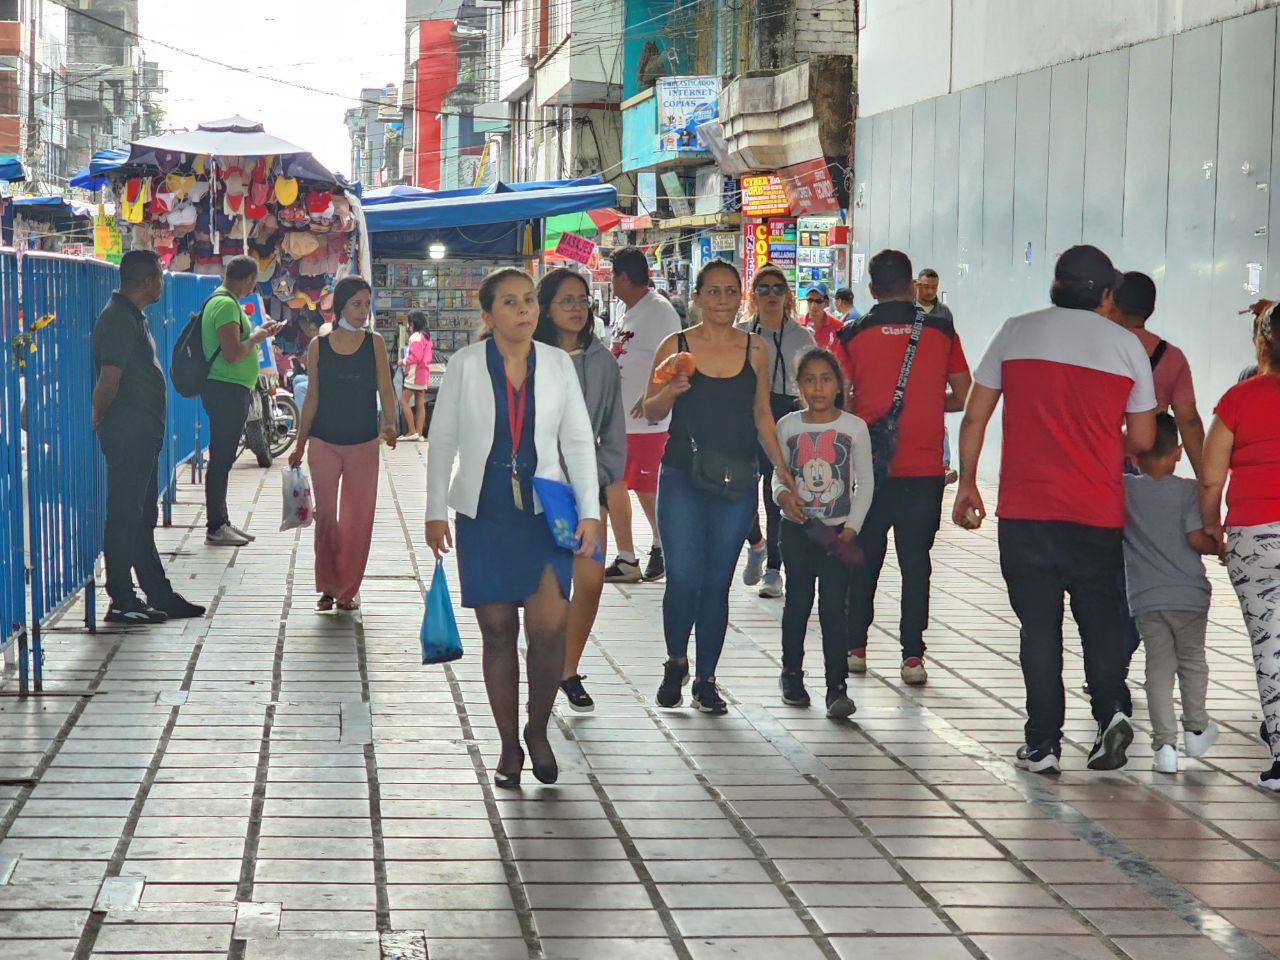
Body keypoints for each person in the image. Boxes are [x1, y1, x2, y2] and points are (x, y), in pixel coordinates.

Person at [954, 244, 1157, 775]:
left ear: (1055, 283)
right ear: (1107, 295)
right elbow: (1142, 436)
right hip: (1095, 509)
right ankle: (1110, 710)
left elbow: (974, 416)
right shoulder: (1126, 346)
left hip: (1026, 510)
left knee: (1038, 628)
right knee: (1098, 619)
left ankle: (1043, 742)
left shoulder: (1016, 331)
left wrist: (968, 483)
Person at [425, 268, 600, 788]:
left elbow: (577, 441)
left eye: (528, 301)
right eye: (509, 302)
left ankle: (538, 730)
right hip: (484, 512)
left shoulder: (557, 366)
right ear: (488, 315)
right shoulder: (464, 366)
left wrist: (590, 511)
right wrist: (436, 510)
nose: (523, 310)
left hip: (545, 513)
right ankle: (506, 746)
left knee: (548, 632)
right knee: (498, 634)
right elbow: (443, 439)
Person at [643, 260, 795, 715]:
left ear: (740, 298)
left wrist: (781, 467)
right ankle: (675, 660)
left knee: (715, 583)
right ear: (697, 296)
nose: (723, 301)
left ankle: (707, 679)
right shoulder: (676, 345)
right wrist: (673, 390)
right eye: (713, 292)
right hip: (682, 476)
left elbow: (762, 413)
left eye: (731, 292)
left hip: (737, 480)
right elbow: (650, 411)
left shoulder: (756, 350)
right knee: (684, 576)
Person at [835, 250, 971, 684]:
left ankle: (856, 647)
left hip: (871, 468)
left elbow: (838, 399)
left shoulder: (852, 333)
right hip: (924, 470)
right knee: (916, 563)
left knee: (864, 559)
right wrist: (931, 406)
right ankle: (912, 656)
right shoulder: (940, 329)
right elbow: (963, 394)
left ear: (871, 290)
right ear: (913, 285)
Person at [91, 250, 205, 624]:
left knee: (141, 516)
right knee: (125, 515)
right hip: (128, 433)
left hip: (143, 433)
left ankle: (157, 592)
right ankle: (121, 597)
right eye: (159, 275)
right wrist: (98, 421)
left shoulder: (130, 317)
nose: (162, 282)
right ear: (146, 281)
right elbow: (109, 380)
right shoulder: (118, 321)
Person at [533, 268, 625, 713]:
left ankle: (567, 669)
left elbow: (612, 428)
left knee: (589, 581)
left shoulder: (603, 361)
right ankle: (545, 670)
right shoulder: (529, 356)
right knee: (544, 588)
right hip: (536, 488)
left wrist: (602, 478)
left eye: (581, 299)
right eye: (565, 300)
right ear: (546, 307)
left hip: (586, 490)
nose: (575, 307)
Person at [1199, 303, 1280, 791]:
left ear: (1262, 344)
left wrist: (1212, 528)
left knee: (1271, 644)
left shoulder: (1238, 399)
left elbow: (1210, 479)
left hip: (1255, 536)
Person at [289, 276, 399, 612]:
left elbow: (385, 388)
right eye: (356, 304)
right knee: (327, 518)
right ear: (340, 306)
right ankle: (327, 586)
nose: (363, 311)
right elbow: (311, 399)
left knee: (358, 519)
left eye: (367, 304)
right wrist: (300, 442)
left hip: (364, 442)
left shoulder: (375, 343)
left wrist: (391, 424)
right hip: (323, 442)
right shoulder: (318, 346)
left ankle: (348, 589)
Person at [774, 348, 874, 718]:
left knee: (834, 608)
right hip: (798, 532)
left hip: (837, 537)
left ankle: (837, 687)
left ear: (839, 385)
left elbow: (865, 482)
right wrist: (783, 496)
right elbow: (778, 475)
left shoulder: (853, 428)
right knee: (797, 603)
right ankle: (792, 676)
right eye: (809, 380)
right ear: (797, 386)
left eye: (826, 379)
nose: (818, 387)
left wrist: (852, 528)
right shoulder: (787, 426)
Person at [1123, 413, 1217, 774]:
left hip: (1147, 599)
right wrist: (1217, 546)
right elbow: (1196, 538)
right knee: (1192, 661)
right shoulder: (1188, 490)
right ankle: (1195, 729)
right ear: (1178, 453)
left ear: (1134, 457)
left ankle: (1164, 747)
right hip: (1189, 595)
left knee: (1158, 669)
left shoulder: (1126, 491)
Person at [605, 247, 682, 583]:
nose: (610, 283)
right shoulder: (626, 311)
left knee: (647, 487)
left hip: (649, 421)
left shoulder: (659, 310)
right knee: (618, 485)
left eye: (612, 276)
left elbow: (674, 356)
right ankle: (627, 556)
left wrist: (652, 393)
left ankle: (662, 543)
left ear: (624, 277)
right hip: (619, 419)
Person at [741, 263, 816, 598]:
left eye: (777, 289)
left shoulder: (802, 337)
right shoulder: (741, 333)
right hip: (747, 419)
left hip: (786, 419)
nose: (771, 295)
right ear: (754, 296)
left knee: (777, 496)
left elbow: (810, 383)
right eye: (763, 289)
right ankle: (755, 543)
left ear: (787, 296)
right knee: (741, 494)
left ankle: (774, 568)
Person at [200, 256, 283, 546]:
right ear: (248, 279)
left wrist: (261, 333)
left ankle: (222, 522)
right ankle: (216, 525)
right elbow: (233, 353)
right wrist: (258, 337)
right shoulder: (224, 304)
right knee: (221, 459)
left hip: (231, 388)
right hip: (225, 389)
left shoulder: (227, 302)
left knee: (223, 459)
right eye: (254, 281)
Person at [1112, 272, 1205, 476]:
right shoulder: (1172, 356)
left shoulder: (1104, 348)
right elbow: (1188, 420)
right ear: (1152, 309)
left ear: (1113, 302)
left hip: (1107, 459)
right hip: (1152, 463)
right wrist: (1205, 479)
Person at [917, 268, 959, 483]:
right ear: (917, 285)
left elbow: (951, 345)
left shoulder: (944, 313)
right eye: (926, 286)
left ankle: (943, 462)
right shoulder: (909, 311)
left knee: (936, 416)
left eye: (934, 287)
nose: (930, 291)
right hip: (913, 375)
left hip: (935, 375)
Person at [399, 312, 432, 441]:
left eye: (409, 323)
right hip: (423, 374)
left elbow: (415, 357)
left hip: (414, 374)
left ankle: (411, 431)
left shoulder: (415, 337)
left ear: (413, 323)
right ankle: (419, 433)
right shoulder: (426, 337)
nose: (408, 326)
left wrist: (402, 361)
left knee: (404, 401)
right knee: (420, 402)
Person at [801, 283, 843, 351]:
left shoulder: (837, 327)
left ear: (826, 303)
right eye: (810, 300)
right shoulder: (798, 325)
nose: (813, 305)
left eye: (818, 301)